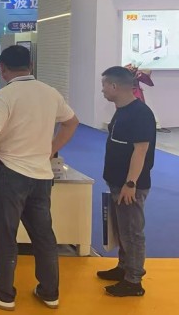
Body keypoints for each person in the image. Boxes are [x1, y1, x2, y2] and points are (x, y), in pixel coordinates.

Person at [0, 45, 79, 311]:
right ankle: (49, 292)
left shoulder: (5, 95)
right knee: (43, 236)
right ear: (30, 65)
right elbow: (71, 122)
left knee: (3, 235)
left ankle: (3, 293)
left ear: (2, 68)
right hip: (41, 176)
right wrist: (51, 149)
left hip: (10, 175)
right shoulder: (50, 92)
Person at [97, 66, 156, 297]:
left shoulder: (140, 114)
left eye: (104, 85)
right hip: (117, 181)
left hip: (130, 185)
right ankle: (123, 267)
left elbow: (140, 151)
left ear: (114, 86)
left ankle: (133, 280)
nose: (102, 90)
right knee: (122, 229)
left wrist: (130, 184)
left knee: (132, 231)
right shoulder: (121, 110)